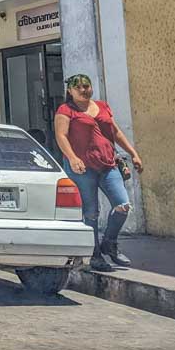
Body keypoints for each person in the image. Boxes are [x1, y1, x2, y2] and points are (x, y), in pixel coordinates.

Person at [54, 73, 143, 271]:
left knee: (123, 205)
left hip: (108, 164)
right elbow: (61, 135)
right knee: (91, 212)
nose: (84, 90)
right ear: (70, 91)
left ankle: (109, 243)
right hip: (82, 167)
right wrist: (72, 157)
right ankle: (94, 255)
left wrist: (133, 153)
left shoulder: (102, 106)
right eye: (79, 88)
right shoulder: (66, 110)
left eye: (87, 86)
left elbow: (115, 132)